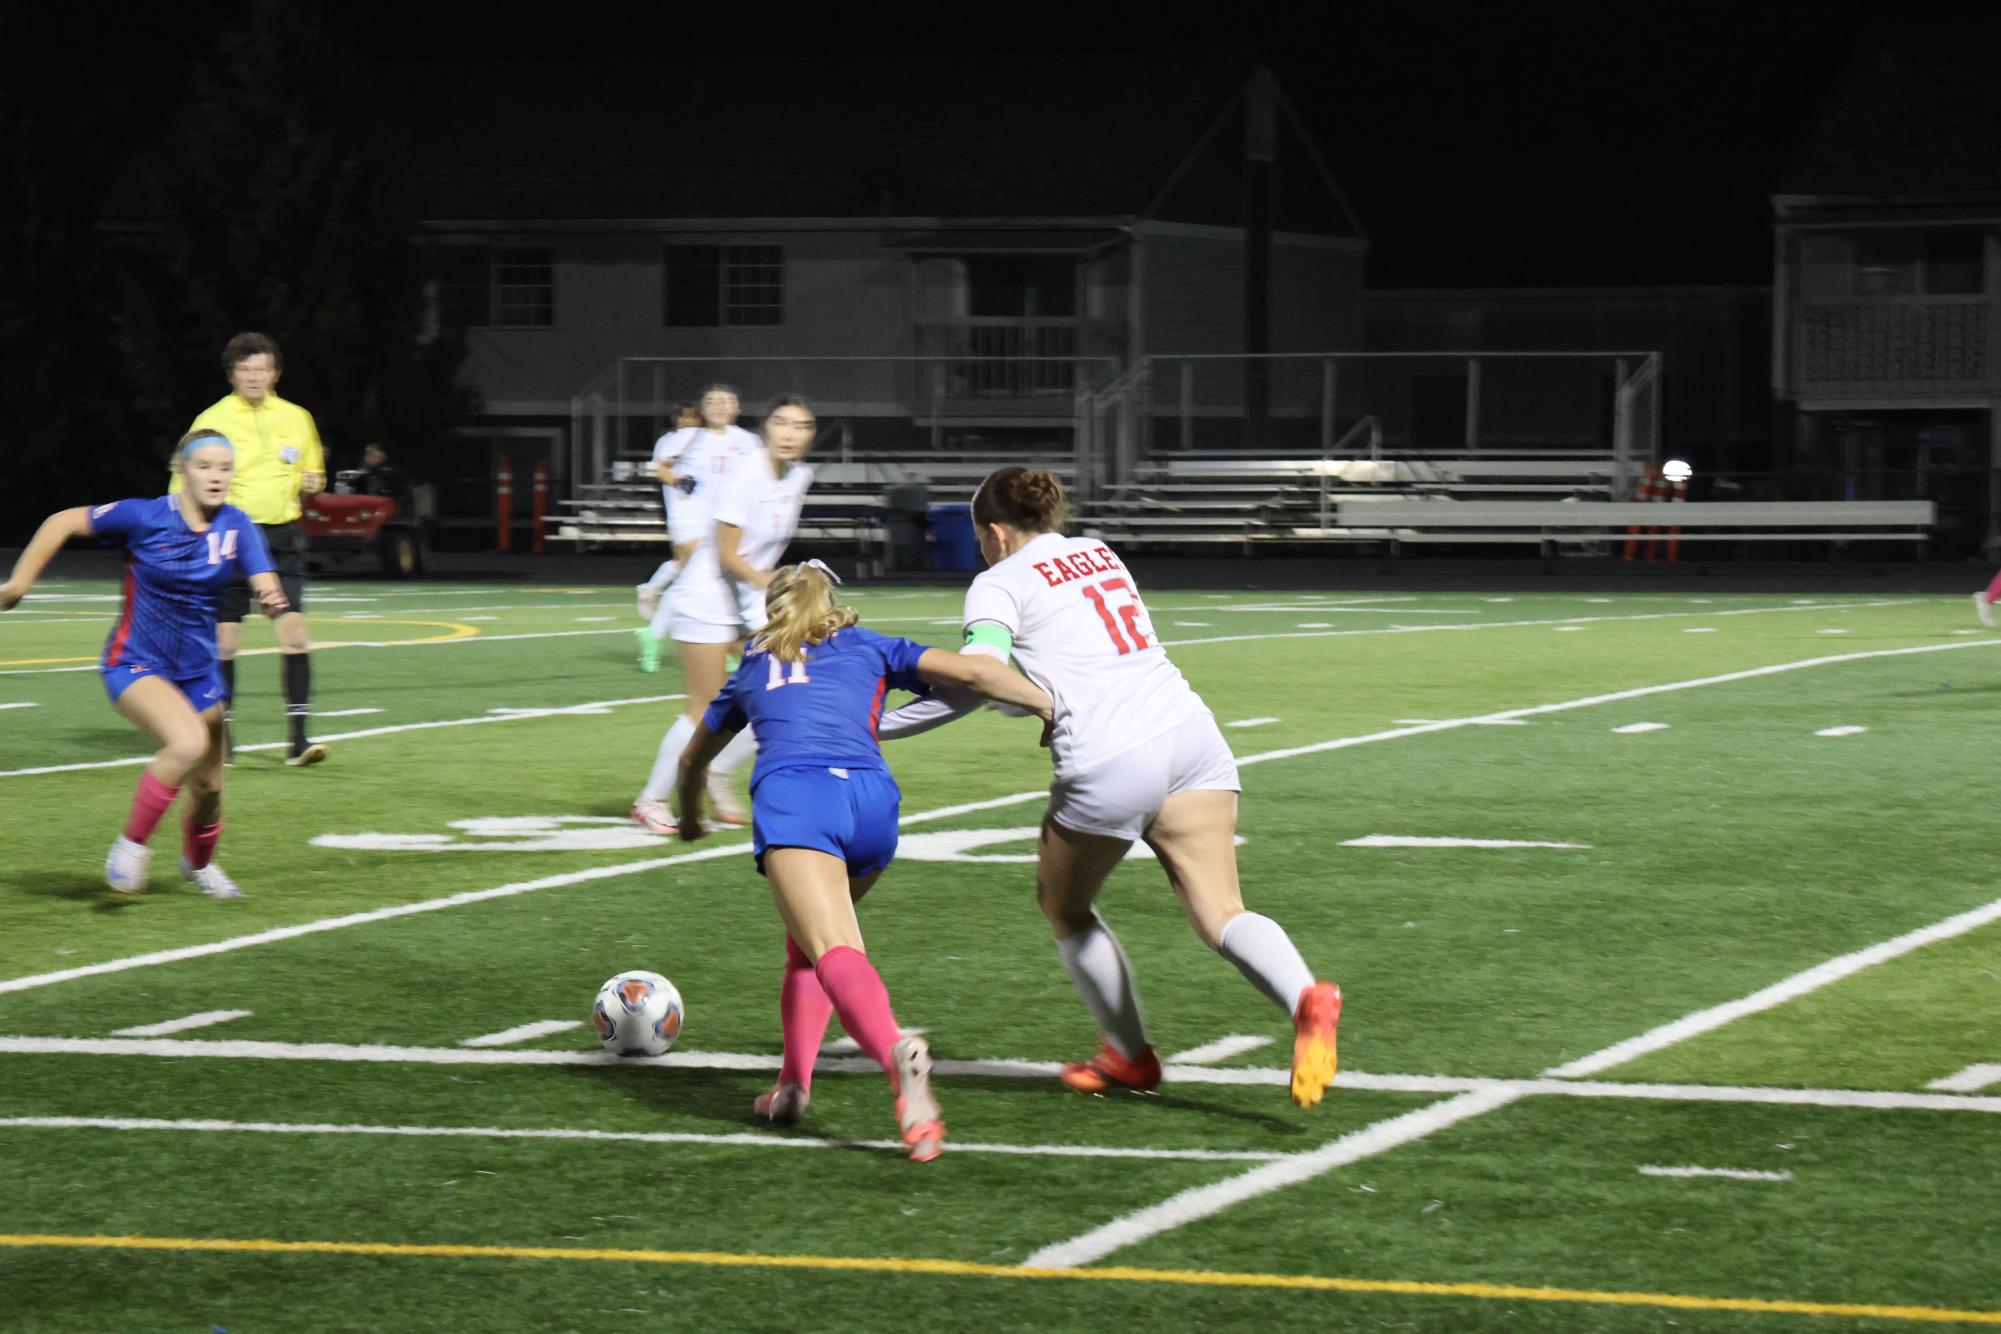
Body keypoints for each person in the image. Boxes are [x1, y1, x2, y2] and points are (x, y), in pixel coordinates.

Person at [877, 466, 1344, 1109]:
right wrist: (1035, 695)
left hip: (1112, 754)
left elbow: (977, 676)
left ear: (992, 531)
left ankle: (1130, 1056)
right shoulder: (1097, 551)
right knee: (1221, 911)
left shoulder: (998, 580)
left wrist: (876, 726)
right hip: (1189, 733)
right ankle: (1304, 997)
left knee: (1064, 906)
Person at [673, 560, 1055, 1161]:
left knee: (832, 950)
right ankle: (792, 1086)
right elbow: (976, 673)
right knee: (810, 946)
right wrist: (1048, 706)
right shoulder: (870, 645)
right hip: (872, 805)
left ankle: (894, 1052)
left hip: (800, 798)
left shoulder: (751, 664)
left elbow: (693, 760)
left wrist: (692, 817)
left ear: (770, 610)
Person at [1, 430, 290, 897]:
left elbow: (263, 577)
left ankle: (198, 866)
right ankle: (129, 846)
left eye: (224, 468)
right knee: (188, 741)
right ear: (182, 469)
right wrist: (17, 586)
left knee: (210, 788)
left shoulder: (238, 526)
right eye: (205, 466)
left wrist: (272, 598)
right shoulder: (145, 515)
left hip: (198, 673)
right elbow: (61, 522)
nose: (216, 476)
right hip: (134, 663)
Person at [631, 393, 817, 835]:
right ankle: (651, 800)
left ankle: (714, 772)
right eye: (781, 423)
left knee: (789, 696)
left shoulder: (800, 475)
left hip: (748, 599)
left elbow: (767, 549)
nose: (790, 434)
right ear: (765, 427)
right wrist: (776, 586)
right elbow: (729, 556)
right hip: (707, 594)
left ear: (812, 434)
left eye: (802, 426)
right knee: (705, 709)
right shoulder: (746, 472)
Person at [176, 331, 327, 767]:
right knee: (225, 642)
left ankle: (298, 739)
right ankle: (221, 737)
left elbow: (311, 470)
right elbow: (182, 482)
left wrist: (314, 480)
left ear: (275, 373)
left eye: (262, 369)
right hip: (229, 537)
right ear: (231, 375)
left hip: (283, 540)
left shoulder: (298, 417)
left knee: (294, 635)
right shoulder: (212, 420)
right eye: (245, 370)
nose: (254, 377)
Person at [634, 387, 761, 671]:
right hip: (691, 517)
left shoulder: (749, 441)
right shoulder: (686, 437)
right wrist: (680, 482)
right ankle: (723, 644)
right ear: (703, 410)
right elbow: (659, 467)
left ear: (737, 408)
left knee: (710, 580)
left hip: (727, 520)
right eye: (712, 402)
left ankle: (655, 633)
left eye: (726, 401)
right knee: (702, 573)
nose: (719, 406)